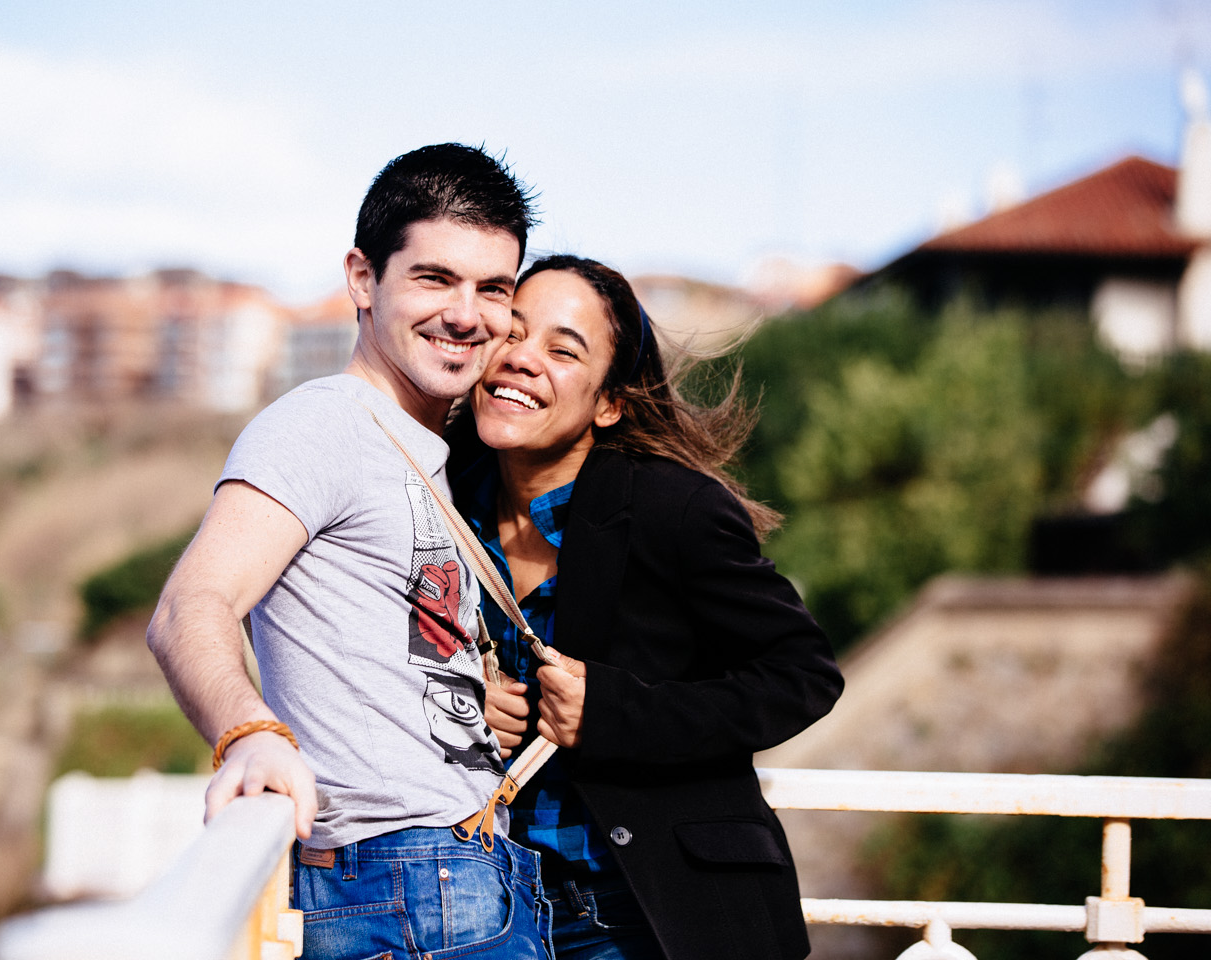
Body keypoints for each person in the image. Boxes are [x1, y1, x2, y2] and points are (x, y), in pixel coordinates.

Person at [146, 143, 552, 960]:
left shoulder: (430, 452)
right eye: (434, 279)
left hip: (471, 871)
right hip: (399, 888)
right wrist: (249, 732)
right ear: (364, 279)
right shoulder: (322, 424)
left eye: (493, 289)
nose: (468, 315)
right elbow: (191, 605)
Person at [448, 255, 844, 960]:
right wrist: (464, 695)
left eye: (562, 349)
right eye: (510, 333)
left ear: (609, 401)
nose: (521, 360)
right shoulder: (439, 503)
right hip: (483, 903)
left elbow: (803, 676)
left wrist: (611, 714)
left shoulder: (673, 508)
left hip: (645, 911)